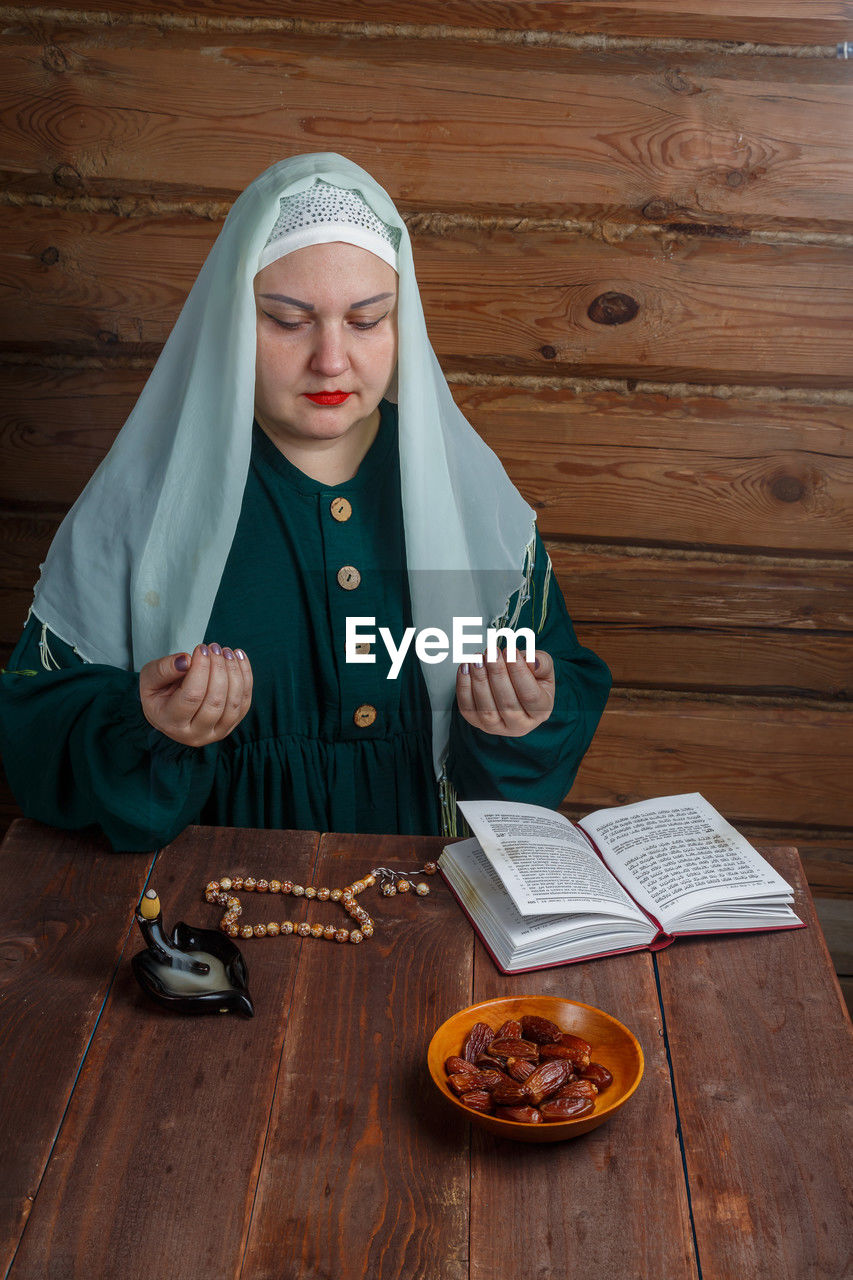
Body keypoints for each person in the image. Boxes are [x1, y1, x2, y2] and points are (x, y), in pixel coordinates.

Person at [0, 153, 610, 852]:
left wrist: (522, 717)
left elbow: (531, 738)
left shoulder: (469, 503)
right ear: (232, 321)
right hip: (207, 901)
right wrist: (141, 724)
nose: (330, 359)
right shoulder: (144, 508)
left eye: (366, 319)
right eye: (288, 320)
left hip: (424, 908)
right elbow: (34, 736)